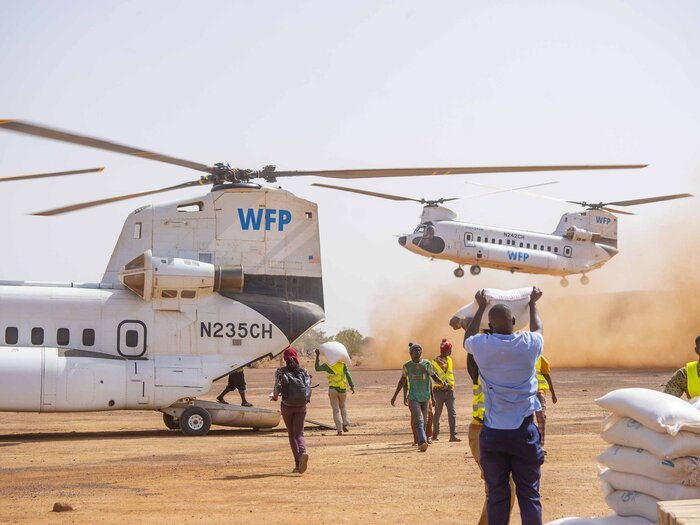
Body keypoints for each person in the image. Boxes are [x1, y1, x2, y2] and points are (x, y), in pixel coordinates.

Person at [464, 287, 545, 525]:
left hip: (493, 434)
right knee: (529, 493)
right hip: (524, 433)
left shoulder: (482, 346)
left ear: (490, 325)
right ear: (513, 321)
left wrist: (480, 306)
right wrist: (532, 304)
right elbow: (538, 327)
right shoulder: (529, 344)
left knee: (497, 494)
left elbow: (467, 337)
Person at [468, 354, 516, 525]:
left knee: (504, 488)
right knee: (500, 487)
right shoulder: (479, 372)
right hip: (481, 431)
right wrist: (473, 329)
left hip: (498, 432)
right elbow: (472, 354)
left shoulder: (506, 377)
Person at [391, 342, 447, 452]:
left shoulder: (426, 364)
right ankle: (422, 442)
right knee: (419, 419)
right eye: (414, 351)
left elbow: (433, 377)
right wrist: (395, 396)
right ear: (410, 353)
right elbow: (402, 381)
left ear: (421, 352)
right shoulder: (407, 366)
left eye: (419, 350)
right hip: (413, 398)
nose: (417, 352)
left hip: (425, 398)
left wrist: (442, 383)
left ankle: (423, 439)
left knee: (425, 421)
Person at [271, 347, 311, 474]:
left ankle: (298, 462)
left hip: (287, 406)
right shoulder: (304, 371)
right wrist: (306, 400)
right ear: (296, 357)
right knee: (299, 433)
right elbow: (308, 387)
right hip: (301, 406)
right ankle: (303, 451)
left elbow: (276, 387)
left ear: (285, 358)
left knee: (291, 434)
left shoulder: (280, 371)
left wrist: (275, 397)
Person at [314, 348, 355, 435]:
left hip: (333, 390)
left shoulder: (327, 365)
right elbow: (348, 376)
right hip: (343, 390)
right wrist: (352, 386)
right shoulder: (343, 365)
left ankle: (339, 430)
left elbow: (317, 368)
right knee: (343, 407)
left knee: (335, 410)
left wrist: (317, 356)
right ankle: (345, 424)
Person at [432, 338, 461, 442]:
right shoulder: (434, 362)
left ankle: (453, 435)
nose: (451, 351)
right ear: (445, 350)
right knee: (437, 413)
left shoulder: (449, 359)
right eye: (450, 349)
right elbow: (433, 376)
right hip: (439, 391)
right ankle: (435, 435)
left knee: (452, 413)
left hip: (450, 391)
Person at [535, 355, 557, 448]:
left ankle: (540, 445)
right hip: (525, 392)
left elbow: (546, 375)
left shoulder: (540, 358)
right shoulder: (519, 355)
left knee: (541, 417)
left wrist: (553, 393)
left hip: (539, 391)